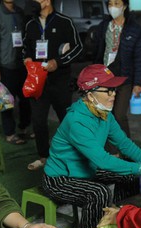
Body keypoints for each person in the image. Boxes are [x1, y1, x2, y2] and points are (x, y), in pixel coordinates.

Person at [41, 64, 141, 228]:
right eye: (108, 90)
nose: (114, 94)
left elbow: (125, 144)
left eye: (114, 89)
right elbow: (102, 160)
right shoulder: (76, 121)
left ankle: (121, 219)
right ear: (90, 95)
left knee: (129, 174)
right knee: (98, 193)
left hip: (86, 171)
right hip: (60, 179)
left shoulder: (105, 115)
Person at [23, 0, 82, 171]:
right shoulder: (30, 23)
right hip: (38, 81)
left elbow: (78, 47)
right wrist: (26, 57)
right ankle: (44, 157)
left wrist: (59, 62)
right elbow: (25, 46)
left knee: (66, 119)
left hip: (60, 80)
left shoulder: (65, 22)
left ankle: (72, 155)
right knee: (38, 120)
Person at [93, 0, 141, 138]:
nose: (113, 7)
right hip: (105, 78)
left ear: (125, 6)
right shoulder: (104, 26)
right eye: (110, 4)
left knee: (119, 115)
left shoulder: (135, 29)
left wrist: (138, 83)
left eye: (117, 3)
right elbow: (97, 51)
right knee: (106, 115)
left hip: (124, 79)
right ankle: (112, 151)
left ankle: (127, 151)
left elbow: (140, 58)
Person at [0, 0, 32, 145]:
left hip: (22, 64)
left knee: (26, 98)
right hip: (5, 66)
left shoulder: (20, 12)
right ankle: (10, 133)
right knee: (7, 102)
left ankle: (24, 127)